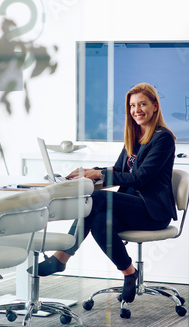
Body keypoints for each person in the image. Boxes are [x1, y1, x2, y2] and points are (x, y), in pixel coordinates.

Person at [37, 82, 178, 303]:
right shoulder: (134, 136)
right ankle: (130, 273)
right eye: (132, 106)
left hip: (153, 212)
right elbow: (120, 171)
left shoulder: (163, 138)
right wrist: (91, 172)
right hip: (132, 206)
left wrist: (98, 175)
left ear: (155, 106)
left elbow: (140, 177)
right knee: (99, 221)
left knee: (96, 199)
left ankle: (61, 256)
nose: (137, 110)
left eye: (142, 104)